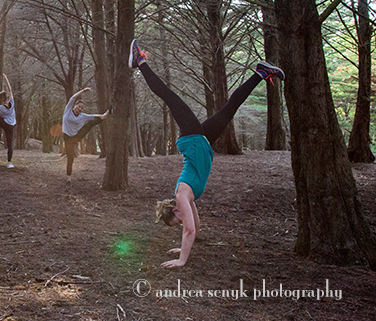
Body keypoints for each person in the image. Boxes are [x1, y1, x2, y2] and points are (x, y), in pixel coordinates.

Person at [129, 39, 285, 267]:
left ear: (176, 209)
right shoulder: (188, 197)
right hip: (200, 142)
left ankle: (140, 61)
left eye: (178, 220)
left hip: (192, 140)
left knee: (169, 96)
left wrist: (182, 260)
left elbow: (190, 229)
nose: (183, 223)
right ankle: (261, 73)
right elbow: (196, 226)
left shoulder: (182, 195)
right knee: (230, 109)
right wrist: (183, 246)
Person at [61, 88, 111, 187]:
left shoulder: (82, 116)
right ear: (75, 105)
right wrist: (83, 90)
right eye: (79, 106)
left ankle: (106, 115)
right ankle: (68, 180)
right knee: (70, 158)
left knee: (90, 124)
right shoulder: (68, 110)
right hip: (67, 138)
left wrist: (102, 115)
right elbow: (73, 97)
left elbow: (93, 116)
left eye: (82, 108)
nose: (80, 109)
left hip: (76, 137)